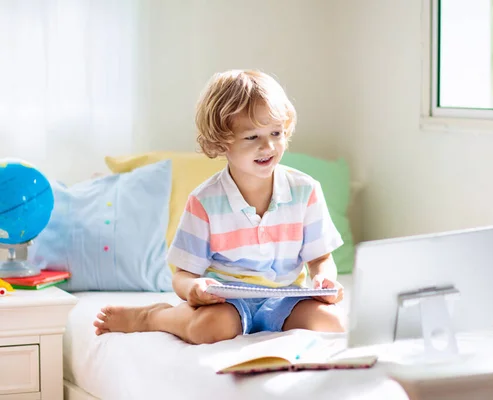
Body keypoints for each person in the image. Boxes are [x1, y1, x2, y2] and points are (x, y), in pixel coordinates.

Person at [94, 70, 346, 344]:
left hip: (285, 298)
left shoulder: (305, 191)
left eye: (276, 132)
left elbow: (320, 259)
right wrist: (194, 289)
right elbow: (183, 276)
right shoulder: (205, 201)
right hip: (227, 302)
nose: (269, 145)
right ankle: (154, 317)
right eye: (252, 137)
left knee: (332, 321)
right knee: (209, 329)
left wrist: (324, 280)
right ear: (221, 141)